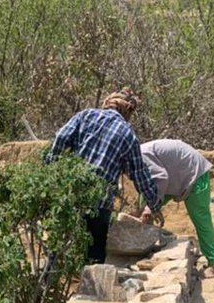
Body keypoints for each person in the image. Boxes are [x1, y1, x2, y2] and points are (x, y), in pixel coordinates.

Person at [46, 88, 160, 263]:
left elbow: (60, 139)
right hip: (99, 201)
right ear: (128, 111)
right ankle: (89, 286)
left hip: (70, 191)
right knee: (95, 251)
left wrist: (51, 169)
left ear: (108, 102)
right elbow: (139, 174)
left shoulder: (85, 115)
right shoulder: (127, 134)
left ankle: (47, 281)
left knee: (57, 243)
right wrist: (154, 203)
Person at [138, 138, 214, 277]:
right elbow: (148, 185)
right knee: (144, 201)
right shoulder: (137, 157)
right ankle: (144, 243)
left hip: (193, 174)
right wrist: (151, 206)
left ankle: (212, 262)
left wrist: (150, 208)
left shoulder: (142, 156)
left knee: (201, 219)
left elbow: (161, 178)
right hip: (175, 176)